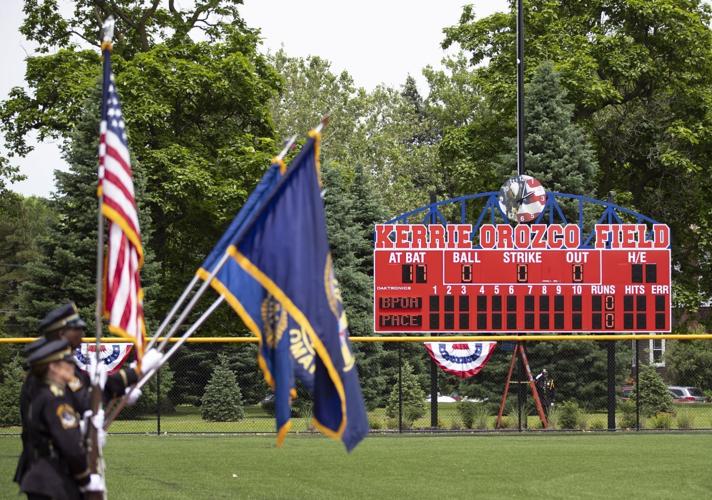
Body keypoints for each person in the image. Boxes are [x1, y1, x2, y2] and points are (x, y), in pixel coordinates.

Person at [20, 338, 105, 499]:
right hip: (54, 481)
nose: (72, 366)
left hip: (45, 479)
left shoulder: (44, 394)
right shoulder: (55, 400)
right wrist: (85, 478)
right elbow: (70, 446)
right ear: (53, 367)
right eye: (67, 363)